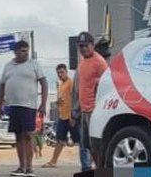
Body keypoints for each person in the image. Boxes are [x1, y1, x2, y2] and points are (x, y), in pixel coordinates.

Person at [0, 39, 47, 177]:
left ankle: (30, 167)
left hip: (29, 105)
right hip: (13, 106)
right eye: (22, 51)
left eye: (27, 51)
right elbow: (1, 86)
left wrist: (43, 103)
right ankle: (21, 166)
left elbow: (44, 82)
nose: (25, 54)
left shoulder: (34, 65)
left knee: (28, 135)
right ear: (16, 51)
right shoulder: (8, 66)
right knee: (18, 136)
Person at [75, 31, 110, 169]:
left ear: (92, 45)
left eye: (86, 45)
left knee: (98, 146)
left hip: (95, 110)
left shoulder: (100, 62)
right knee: (88, 146)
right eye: (81, 46)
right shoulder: (83, 62)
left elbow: (107, 84)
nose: (83, 48)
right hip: (84, 110)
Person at [42, 63, 74, 168]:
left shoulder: (70, 83)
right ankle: (53, 161)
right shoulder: (61, 85)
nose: (60, 74)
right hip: (62, 116)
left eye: (62, 72)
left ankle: (93, 162)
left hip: (71, 117)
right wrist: (58, 102)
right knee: (59, 140)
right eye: (58, 73)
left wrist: (73, 116)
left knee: (81, 141)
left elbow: (74, 100)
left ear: (66, 72)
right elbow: (62, 100)